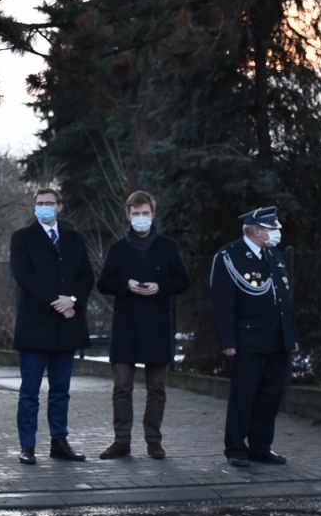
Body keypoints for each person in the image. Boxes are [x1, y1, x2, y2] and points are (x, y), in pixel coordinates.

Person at [96, 191, 191, 459]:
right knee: (122, 387)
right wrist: (125, 285)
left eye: (145, 213)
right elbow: (103, 283)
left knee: (156, 389)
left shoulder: (168, 247)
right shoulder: (117, 249)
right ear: (128, 215)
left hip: (157, 325)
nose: (140, 218)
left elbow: (183, 281)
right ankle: (121, 441)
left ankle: (153, 441)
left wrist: (160, 287)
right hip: (126, 326)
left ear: (153, 215)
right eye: (135, 214)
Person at [10, 187, 96, 464]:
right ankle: (28, 446)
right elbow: (24, 276)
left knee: (60, 391)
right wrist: (54, 302)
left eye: (49, 203)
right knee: (30, 392)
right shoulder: (22, 238)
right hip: (35, 326)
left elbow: (86, 276)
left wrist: (71, 300)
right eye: (39, 203)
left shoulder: (74, 239)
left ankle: (59, 441)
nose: (44, 207)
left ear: (60, 206)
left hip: (67, 326)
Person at [211, 206, 296, 468]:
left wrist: (291, 337)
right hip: (247, 339)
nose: (277, 233)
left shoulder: (275, 256)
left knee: (270, 395)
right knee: (243, 395)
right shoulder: (229, 256)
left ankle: (261, 446)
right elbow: (222, 302)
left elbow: (284, 299)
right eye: (273, 228)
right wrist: (227, 342)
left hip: (276, 339)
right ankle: (236, 447)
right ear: (257, 230)